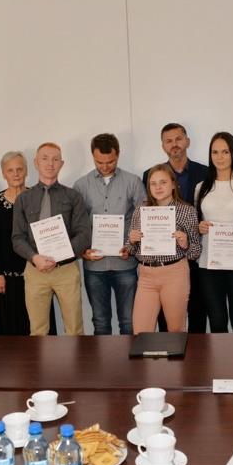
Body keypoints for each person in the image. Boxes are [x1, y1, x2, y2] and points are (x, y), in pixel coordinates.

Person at [12, 143, 90, 335]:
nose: (50, 163)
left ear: (61, 164)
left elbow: (84, 234)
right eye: (45, 158)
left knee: (74, 329)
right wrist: (35, 258)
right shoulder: (23, 199)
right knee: (38, 330)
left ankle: (76, 365)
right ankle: (41, 367)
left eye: (55, 159)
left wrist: (60, 255)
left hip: (66, 270)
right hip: (35, 270)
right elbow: (17, 238)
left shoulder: (73, 196)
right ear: (36, 163)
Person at [74, 133, 146, 335]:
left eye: (110, 161)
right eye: (99, 162)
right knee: (100, 322)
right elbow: (76, 225)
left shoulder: (133, 182)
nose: (105, 166)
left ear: (118, 155)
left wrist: (133, 248)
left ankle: (131, 367)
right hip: (94, 265)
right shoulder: (81, 185)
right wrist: (82, 252)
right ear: (92, 156)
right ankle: (103, 367)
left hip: (126, 263)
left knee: (129, 322)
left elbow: (143, 219)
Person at [143, 123, 209, 333]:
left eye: (178, 139)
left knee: (198, 310)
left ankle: (197, 361)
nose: (174, 144)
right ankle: (168, 360)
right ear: (163, 146)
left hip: (196, 254)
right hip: (165, 258)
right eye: (169, 141)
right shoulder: (150, 175)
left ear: (187, 141)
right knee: (167, 317)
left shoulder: (206, 172)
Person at [0, 152, 58, 336]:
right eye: (10, 170)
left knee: (40, 326)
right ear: (3, 173)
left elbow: (48, 233)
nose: (16, 174)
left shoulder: (38, 197)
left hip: (38, 272)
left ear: (27, 171)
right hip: (8, 277)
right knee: (12, 329)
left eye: (19, 169)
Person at [194, 132, 233, 333]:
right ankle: (220, 366)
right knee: (217, 323)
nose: (219, 157)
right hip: (208, 265)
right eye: (215, 152)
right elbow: (197, 224)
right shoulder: (201, 188)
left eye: (225, 152)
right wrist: (199, 226)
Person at [128, 164, 201, 333]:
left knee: (176, 331)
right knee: (140, 332)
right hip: (146, 276)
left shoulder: (187, 210)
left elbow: (196, 251)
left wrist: (185, 243)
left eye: (163, 182)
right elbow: (130, 249)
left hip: (174, 274)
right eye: (153, 184)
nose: (158, 187)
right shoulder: (141, 210)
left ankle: (178, 361)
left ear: (173, 184)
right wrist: (131, 241)